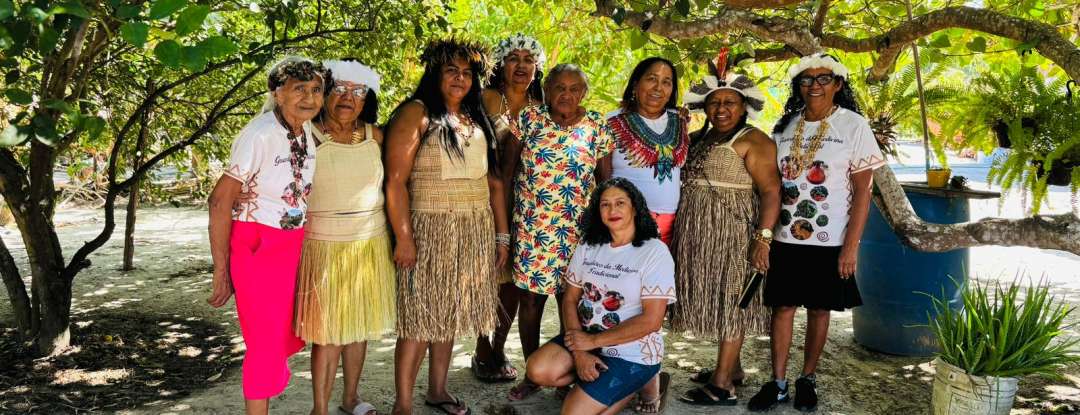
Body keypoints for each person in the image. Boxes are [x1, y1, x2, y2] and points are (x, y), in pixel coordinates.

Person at [747, 53, 886, 412]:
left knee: (820, 309)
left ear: (838, 84)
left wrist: (850, 248)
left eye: (824, 78)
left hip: (831, 240)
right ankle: (778, 383)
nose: (815, 86)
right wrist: (764, 236)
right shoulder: (786, 128)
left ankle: (807, 378)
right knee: (782, 309)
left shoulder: (853, 126)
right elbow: (773, 185)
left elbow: (863, 193)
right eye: (807, 80)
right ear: (799, 86)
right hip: (785, 237)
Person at [383, 38, 510, 415]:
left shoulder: (475, 119)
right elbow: (394, 181)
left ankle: (437, 390)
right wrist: (404, 237)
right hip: (430, 226)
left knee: (449, 310)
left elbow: (495, 184)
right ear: (435, 74)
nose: (459, 78)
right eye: (451, 71)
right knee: (421, 317)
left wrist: (501, 234)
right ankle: (403, 404)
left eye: (467, 73)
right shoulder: (417, 113)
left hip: (474, 228)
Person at [206, 56, 328, 415]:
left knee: (276, 339)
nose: (309, 97)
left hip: (290, 245)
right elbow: (218, 201)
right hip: (257, 245)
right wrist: (220, 269)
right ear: (277, 93)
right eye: (298, 89)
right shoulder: (259, 133)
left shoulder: (305, 131)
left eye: (316, 90)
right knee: (262, 344)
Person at [670, 50, 780, 406]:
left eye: (729, 102)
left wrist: (763, 239)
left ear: (743, 105)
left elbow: (771, 191)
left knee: (735, 299)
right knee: (720, 298)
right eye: (714, 103)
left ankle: (721, 386)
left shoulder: (754, 140)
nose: (720, 109)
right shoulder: (704, 137)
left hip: (735, 235)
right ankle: (733, 368)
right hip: (702, 234)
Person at [504, 63, 614, 401]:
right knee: (530, 301)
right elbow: (507, 175)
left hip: (577, 232)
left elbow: (606, 183)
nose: (566, 95)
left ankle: (571, 372)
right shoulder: (528, 120)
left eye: (574, 88)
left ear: (583, 92)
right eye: (559, 88)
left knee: (574, 303)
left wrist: (607, 232)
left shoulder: (597, 125)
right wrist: (504, 227)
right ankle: (532, 373)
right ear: (547, 90)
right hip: (532, 228)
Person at [524, 178, 676, 415]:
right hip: (587, 343)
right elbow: (570, 299)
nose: (612, 210)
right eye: (604, 204)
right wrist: (581, 352)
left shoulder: (654, 252)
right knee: (537, 370)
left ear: (635, 208)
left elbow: (652, 321)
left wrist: (592, 343)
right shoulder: (589, 245)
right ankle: (604, 384)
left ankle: (630, 386)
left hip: (632, 352)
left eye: (620, 203)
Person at [292, 59, 391, 415]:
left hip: (369, 241)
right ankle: (320, 409)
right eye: (340, 90)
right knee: (329, 331)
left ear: (367, 100)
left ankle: (351, 398)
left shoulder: (375, 136)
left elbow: (395, 186)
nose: (348, 98)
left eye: (358, 92)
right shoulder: (306, 134)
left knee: (358, 325)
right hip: (325, 243)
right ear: (325, 94)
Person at [472, 33, 546, 384]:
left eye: (528, 59)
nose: (521, 65)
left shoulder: (541, 104)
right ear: (501, 64)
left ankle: (498, 346)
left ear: (537, 67)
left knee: (514, 280)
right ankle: (481, 346)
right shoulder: (487, 98)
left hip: (530, 202)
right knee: (488, 272)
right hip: (486, 195)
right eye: (514, 58)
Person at [599, 57, 689, 246]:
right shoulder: (612, 121)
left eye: (666, 82)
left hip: (670, 225)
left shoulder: (680, 121)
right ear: (636, 83)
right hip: (626, 223)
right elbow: (602, 178)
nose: (658, 87)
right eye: (651, 79)